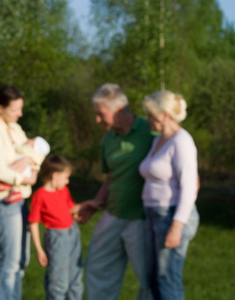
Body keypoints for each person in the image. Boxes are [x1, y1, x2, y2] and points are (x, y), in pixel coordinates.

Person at [71, 83, 153, 300]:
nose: (97, 120)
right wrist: (94, 204)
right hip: (113, 214)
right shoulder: (109, 138)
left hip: (140, 219)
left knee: (148, 277)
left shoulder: (149, 131)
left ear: (118, 109)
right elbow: (111, 177)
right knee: (97, 267)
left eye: (101, 114)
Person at [0, 86, 45, 300]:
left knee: (22, 260)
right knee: (10, 260)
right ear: (0, 108)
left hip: (21, 197)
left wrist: (26, 164)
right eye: (15, 109)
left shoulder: (14, 128)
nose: (20, 114)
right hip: (4, 202)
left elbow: (36, 153)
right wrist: (25, 174)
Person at [139, 91, 199, 300]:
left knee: (167, 279)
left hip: (171, 215)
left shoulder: (181, 141)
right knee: (153, 278)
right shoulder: (159, 141)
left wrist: (176, 226)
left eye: (150, 115)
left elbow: (190, 186)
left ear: (164, 115)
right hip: (154, 214)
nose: (147, 120)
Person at [29, 155, 94, 299]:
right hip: (58, 240)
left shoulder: (63, 190)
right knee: (59, 282)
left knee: (75, 279)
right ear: (55, 175)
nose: (67, 181)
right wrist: (39, 250)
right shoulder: (40, 196)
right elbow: (33, 222)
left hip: (73, 233)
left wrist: (88, 205)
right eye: (66, 177)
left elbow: (70, 209)